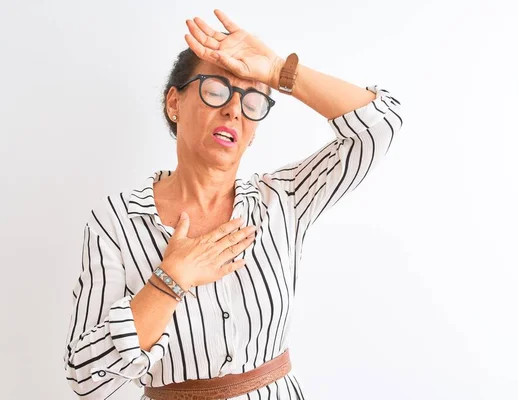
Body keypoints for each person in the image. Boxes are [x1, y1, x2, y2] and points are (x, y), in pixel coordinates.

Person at [63, 9, 403, 400]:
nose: (234, 109)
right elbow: (87, 378)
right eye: (216, 89)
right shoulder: (116, 223)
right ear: (174, 102)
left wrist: (279, 70)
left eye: (253, 99)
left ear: (255, 131)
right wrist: (169, 281)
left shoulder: (283, 200)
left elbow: (381, 124)